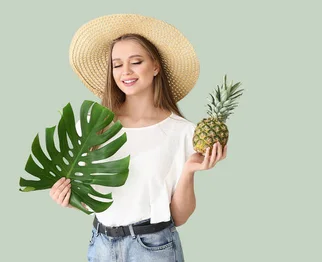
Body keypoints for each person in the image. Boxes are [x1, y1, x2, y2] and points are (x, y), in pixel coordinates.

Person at [50, 14, 227, 261]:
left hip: (154, 248)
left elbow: (180, 217)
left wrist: (188, 171)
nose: (126, 72)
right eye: (117, 64)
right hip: (100, 245)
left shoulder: (183, 132)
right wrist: (67, 198)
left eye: (136, 61)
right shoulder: (93, 126)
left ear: (155, 66)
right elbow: (91, 200)